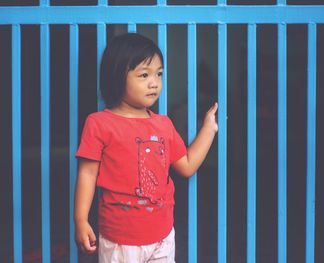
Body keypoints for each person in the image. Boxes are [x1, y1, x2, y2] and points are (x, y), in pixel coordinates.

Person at [74, 33, 218, 263]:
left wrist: (209, 129)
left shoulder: (163, 124)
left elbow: (187, 165)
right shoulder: (99, 123)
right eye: (144, 75)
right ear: (117, 77)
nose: (154, 82)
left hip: (162, 236)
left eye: (159, 74)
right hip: (120, 239)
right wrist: (81, 220)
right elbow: (87, 173)